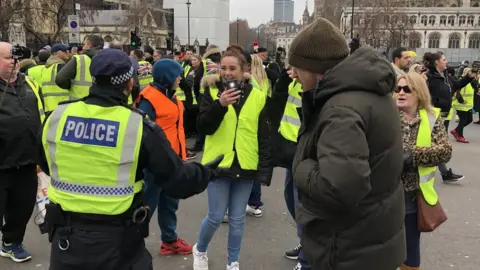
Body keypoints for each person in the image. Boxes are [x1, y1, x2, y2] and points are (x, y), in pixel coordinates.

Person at [39, 49, 223, 270]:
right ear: (128, 83)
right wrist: (207, 172)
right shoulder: (137, 126)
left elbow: (47, 164)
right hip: (118, 241)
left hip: (66, 241)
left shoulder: (57, 118)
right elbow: (177, 179)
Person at [289, 18, 405, 270]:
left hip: (348, 249)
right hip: (371, 238)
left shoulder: (341, 109)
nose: (294, 74)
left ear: (315, 68)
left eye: (297, 66)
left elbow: (340, 188)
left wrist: (300, 166)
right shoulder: (368, 93)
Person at [192, 50, 272, 270]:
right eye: (223, 68)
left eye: (232, 68)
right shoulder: (210, 91)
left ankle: (233, 262)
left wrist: (264, 171)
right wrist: (220, 105)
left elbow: (264, 137)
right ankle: (200, 249)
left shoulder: (257, 97)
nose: (226, 73)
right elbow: (203, 127)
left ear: (244, 70)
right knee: (216, 216)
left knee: (237, 219)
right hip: (218, 165)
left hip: (246, 164)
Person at [394, 72, 452, 270]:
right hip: (384, 195)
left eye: (406, 89)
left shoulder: (431, 117)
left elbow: (445, 150)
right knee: (382, 246)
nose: (400, 93)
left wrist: (412, 156)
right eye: (397, 89)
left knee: (411, 249)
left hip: (412, 195)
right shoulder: (386, 116)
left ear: (419, 93)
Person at [137, 58, 193, 256]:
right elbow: (142, 132)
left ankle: (169, 240)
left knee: (170, 202)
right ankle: (132, 242)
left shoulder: (172, 96)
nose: (180, 79)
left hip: (174, 160)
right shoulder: (147, 100)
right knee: (147, 204)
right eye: (177, 75)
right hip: (155, 163)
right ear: (168, 76)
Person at [0, 42, 43, 263]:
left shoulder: (31, 84)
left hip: (26, 162)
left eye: (16, 58)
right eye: (8, 58)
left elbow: (41, 115)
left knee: (22, 210)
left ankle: (11, 242)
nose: (15, 63)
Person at [423, 51, 474, 182]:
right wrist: (440, 103)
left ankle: (443, 173)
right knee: (436, 144)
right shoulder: (429, 77)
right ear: (437, 62)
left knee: (435, 144)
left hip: (442, 115)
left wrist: (468, 77)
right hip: (431, 115)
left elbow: (456, 85)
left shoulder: (445, 76)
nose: (446, 62)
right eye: (444, 59)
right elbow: (426, 96)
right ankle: (442, 173)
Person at [55, 35, 104, 99]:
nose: (83, 47)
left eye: (84, 44)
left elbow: (60, 79)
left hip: (79, 101)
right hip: (102, 102)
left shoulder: (79, 59)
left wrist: (71, 86)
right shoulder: (109, 59)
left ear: (89, 45)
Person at [41, 44, 71, 113]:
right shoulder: (60, 66)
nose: (67, 52)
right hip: (62, 107)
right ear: (56, 53)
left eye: (68, 51)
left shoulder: (46, 68)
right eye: (64, 51)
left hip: (49, 108)